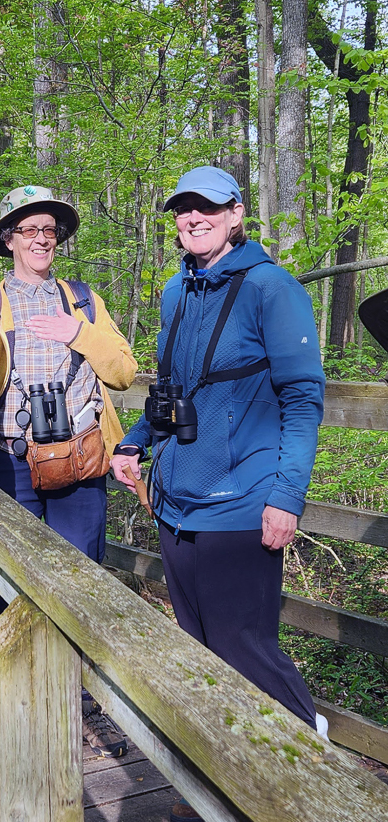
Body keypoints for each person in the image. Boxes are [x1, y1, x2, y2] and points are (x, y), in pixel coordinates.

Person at [109, 166, 326, 822]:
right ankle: (222, 790)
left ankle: (310, 773)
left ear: (236, 213)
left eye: (206, 208)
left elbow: (303, 397)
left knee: (247, 647)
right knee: (202, 652)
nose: (192, 219)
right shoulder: (178, 290)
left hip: (243, 505)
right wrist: (135, 441)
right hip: (176, 502)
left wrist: (286, 496)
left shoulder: (272, 289)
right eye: (182, 210)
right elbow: (174, 387)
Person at [0, 185, 137, 759]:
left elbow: (123, 371)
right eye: (29, 231)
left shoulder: (84, 301)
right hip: (12, 461)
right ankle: (5, 682)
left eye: (50, 231)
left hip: (82, 458)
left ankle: (72, 686)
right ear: (9, 240)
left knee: (79, 575)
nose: (41, 240)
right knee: (7, 576)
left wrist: (78, 334)